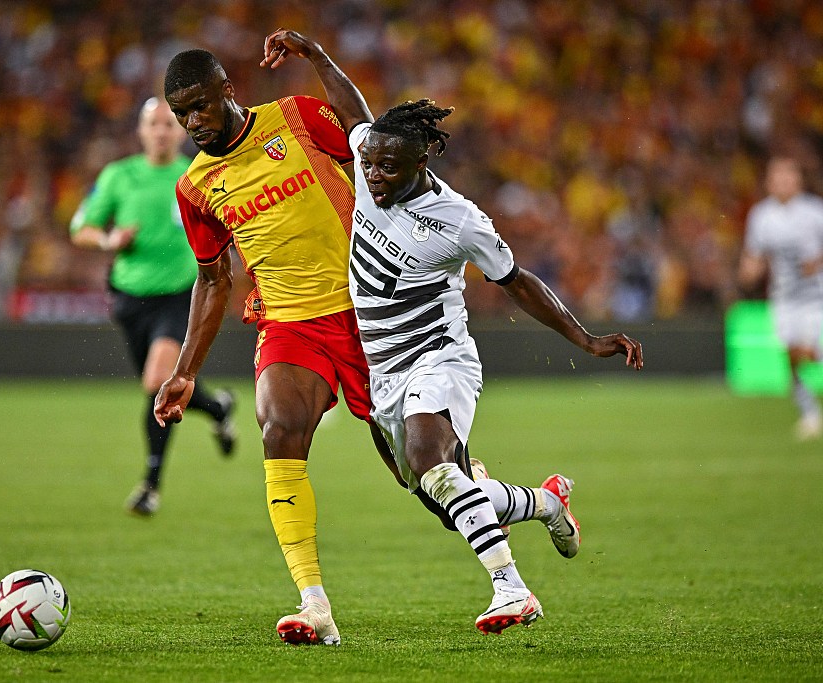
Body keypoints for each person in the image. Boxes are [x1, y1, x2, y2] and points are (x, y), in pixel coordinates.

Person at [260, 29, 644, 635]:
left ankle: (512, 590)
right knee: (444, 494)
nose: (375, 176)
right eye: (369, 164)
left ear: (421, 162)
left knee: (427, 460)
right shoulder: (369, 157)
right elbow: (352, 112)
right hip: (383, 368)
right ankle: (545, 503)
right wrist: (315, 56)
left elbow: (517, 281)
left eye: (389, 167)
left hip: (439, 357)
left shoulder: (461, 221)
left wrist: (586, 338)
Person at [154, 46, 479, 647]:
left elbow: (370, 144)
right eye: (182, 114)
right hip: (289, 324)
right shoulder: (197, 186)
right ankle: (314, 603)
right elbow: (213, 278)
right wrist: (185, 372)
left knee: (424, 478)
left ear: (227, 88)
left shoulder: (297, 118)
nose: (194, 121)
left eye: (200, 105)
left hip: (368, 314)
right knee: (278, 427)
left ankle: (531, 504)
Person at [70, 97, 237, 516]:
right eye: (154, 124)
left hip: (182, 294)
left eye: (169, 123)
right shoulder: (119, 176)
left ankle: (150, 485)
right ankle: (217, 407)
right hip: (129, 298)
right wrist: (108, 241)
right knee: (161, 385)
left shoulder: (196, 175)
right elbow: (81, 228)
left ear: (180, 130)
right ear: (142, 131)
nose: (162, 131)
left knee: (156, 381)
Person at [739, 156, 823, 440]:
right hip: (783, 298)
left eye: (787, 177)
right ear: (769, 182)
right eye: (776, 178)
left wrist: (818, 262)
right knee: (791, 357)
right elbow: (756, 254)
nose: (782, 183)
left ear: (798, 180)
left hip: (815, 297)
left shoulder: (814, 212)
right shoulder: (762, 215)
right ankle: (810, 414)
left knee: (807, 351)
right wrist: (749, 270)